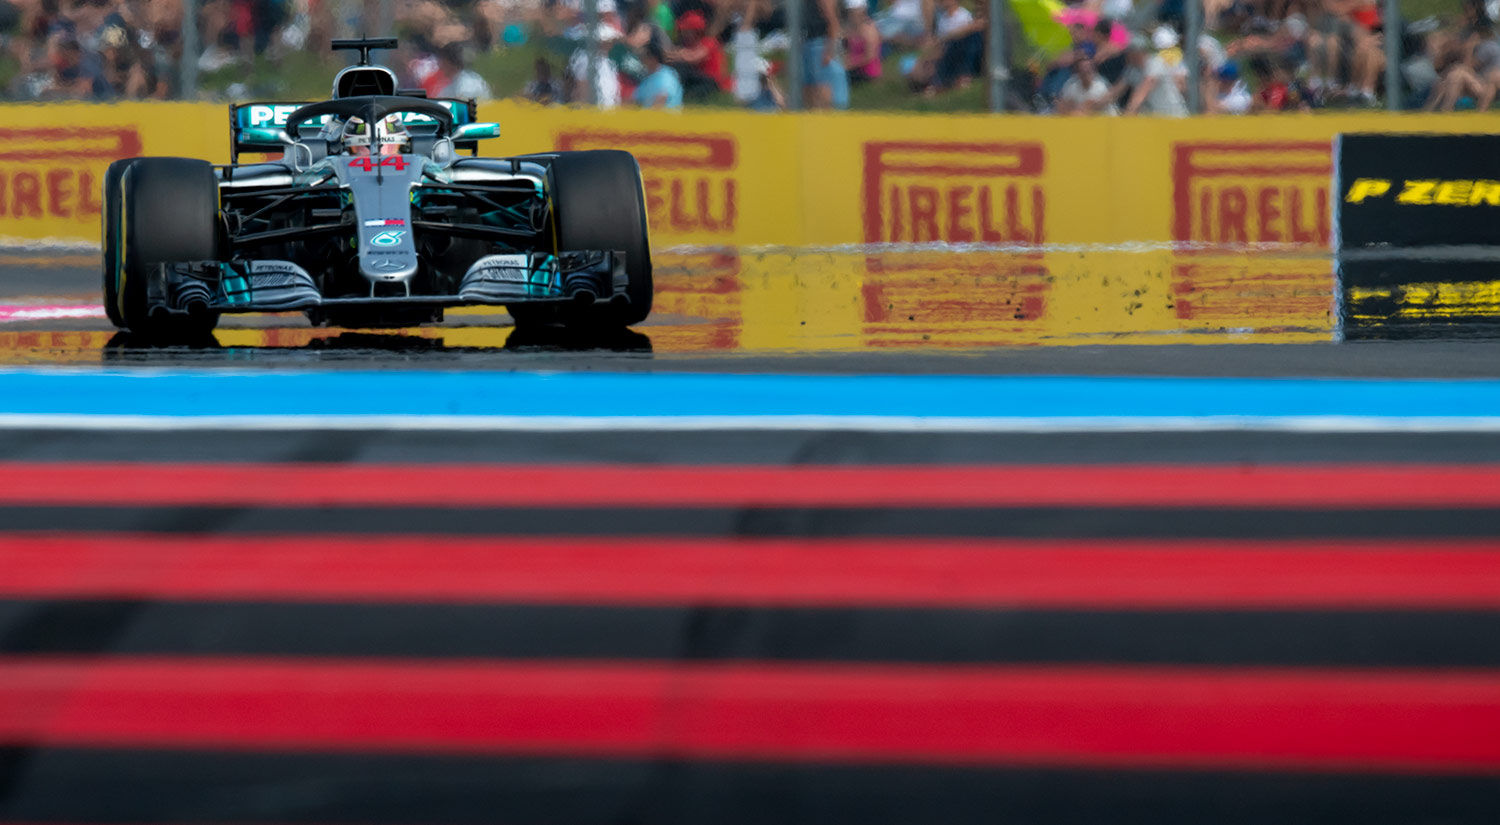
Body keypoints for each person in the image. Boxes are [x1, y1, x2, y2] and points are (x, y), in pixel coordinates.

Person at [1118, 34, 1188, 115]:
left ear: (1137, 52)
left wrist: (1128, 114)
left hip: (1174, 115)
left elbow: (1143, 91)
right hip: (1156, 115)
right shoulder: (1132, 69)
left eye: (1128, 52)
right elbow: (1116, 91)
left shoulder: (1155, 63)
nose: (1125, 56)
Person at [668, 9, 729, 98]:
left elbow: (694, 58)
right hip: (698, 77)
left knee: (682, 70)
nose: (683, 33)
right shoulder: (689, 44)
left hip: (712, 80)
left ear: (696, 32)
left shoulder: (709, 42)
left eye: (686, 30)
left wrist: (677, 55)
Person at [801, 0, 847, 108]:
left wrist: (829, 51)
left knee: (823, 87)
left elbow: (833, 22)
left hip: (821, 45)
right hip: (808, 44)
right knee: (809, 89)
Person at [633, 37, 683, 107]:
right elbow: (634, 100)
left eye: (643, 57)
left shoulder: (666, 78)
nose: (640, 61)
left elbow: (659, 103)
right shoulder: (646, 76)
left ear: (653, 59)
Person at [845, 0, 882, 83]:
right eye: (850, 11)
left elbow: (870, 56)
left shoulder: (869, 29)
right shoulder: (849, 28)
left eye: (853, 11)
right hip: (855, 67)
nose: (851, 14)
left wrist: (850, 64)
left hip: (867, 71)